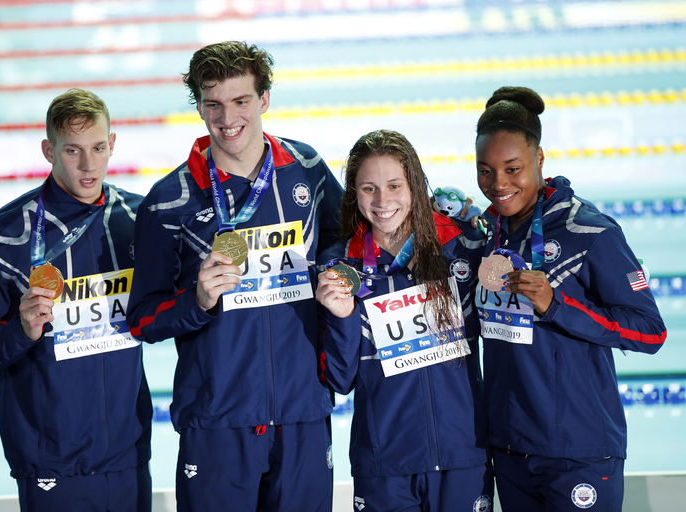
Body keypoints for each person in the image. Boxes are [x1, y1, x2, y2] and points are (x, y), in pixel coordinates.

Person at [127, 41, 343, 511]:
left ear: (264, 100)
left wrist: (331, 270)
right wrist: (197, 301)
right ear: (199, 107)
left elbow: (345, 239)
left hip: (302, 412)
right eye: (214, 104)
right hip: (217, 419)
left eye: (241, 100)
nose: (228, 118)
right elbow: (142, 319)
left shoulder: (306, 169)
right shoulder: (169, 202)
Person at [0, 88, 152, 511]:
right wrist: (20, 331)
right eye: (73, 150)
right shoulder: (1, 239)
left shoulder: (139, 221)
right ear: (49, 150)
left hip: (128, 454)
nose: (88, 164)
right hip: (51, 461)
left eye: (98, 148)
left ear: (113, 144)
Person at [473, 86, 667, 511]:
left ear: (539, 159)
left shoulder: (590, 231)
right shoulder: (487, 233)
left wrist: (557, 305)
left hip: (578, 449)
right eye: (485, 171)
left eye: (512, 169)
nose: (498, 184)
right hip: (511, 448)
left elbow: (651, 332)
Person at [316, 129, 493, 512]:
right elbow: (341, 380)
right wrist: (343, 317)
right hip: (385, 466)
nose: (383, 201)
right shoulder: (341, 267)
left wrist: (481, 220)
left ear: (415, 184)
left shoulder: (460, 247)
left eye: (394, 185)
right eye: (369, 188)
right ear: (353, 193)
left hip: (463, 454)